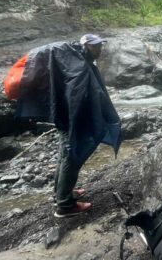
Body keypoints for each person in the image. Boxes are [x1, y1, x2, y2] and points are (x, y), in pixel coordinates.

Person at [13, 33, 121, 218]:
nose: (100, 49)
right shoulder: (77, 64)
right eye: (96, 46)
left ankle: (61, 194)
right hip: (69, 119)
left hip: (63, 117)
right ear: (87, 46)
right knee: (71, 158)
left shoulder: (74, 60)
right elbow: (77, 94)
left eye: (100, 45)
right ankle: (65, 205)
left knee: (65, 155)